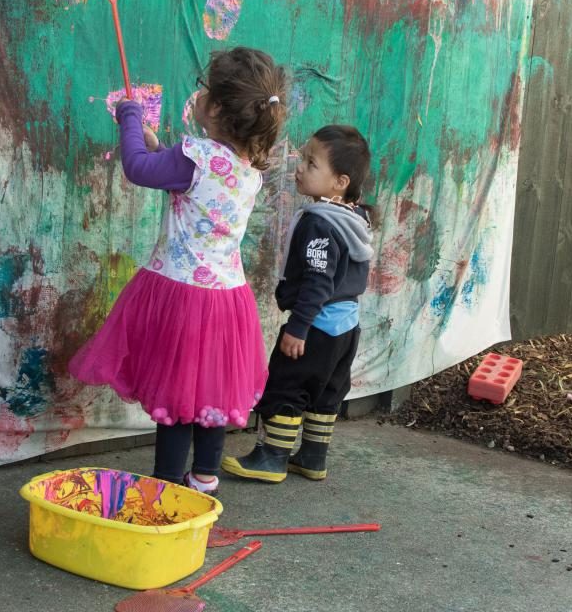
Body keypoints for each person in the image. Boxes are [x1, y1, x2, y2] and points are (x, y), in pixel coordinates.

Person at [69, 47, 288, 495]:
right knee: (209, 394)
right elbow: (189, 182)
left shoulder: (196, 156)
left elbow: (137, 168)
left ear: (217, 108)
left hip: (182, 298)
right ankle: (204, 480)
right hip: (228, 301)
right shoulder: (248, 167)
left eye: (207, 89)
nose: (200, 94)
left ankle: (165, 488)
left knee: (176, 397)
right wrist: (157, 147)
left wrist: (130, 118)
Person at [221, 125, 373, 483]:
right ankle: (313, 457)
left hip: (316, 326)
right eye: (303, 158)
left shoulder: (321, 223)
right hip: (347, 327)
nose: (299, 167)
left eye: (311, 162)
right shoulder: (356, 219)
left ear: (340, 182)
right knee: (327, 392)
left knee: (287, 386)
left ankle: (272, 457)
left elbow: (319, 281)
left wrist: (298, 327)